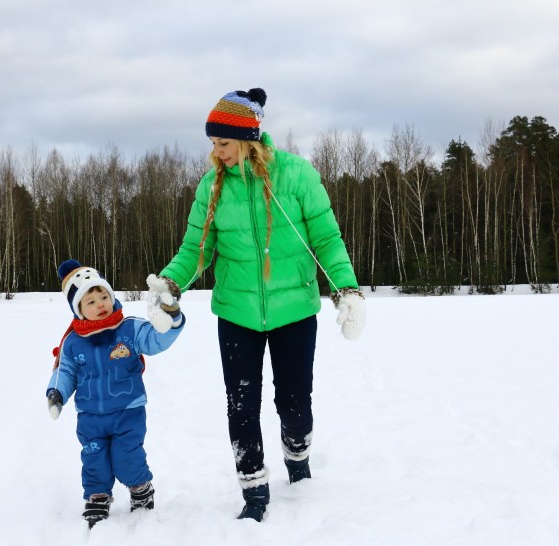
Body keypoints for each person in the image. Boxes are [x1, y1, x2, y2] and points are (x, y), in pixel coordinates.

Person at [146, 88, 365, 522]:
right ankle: (254, 491)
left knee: (295, 405)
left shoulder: (298, 175)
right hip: (237, 315)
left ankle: (297, 455)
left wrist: (348, 289)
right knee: (241, 405)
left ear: (248, 137)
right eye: (213, 144)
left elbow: (326, 239)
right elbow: (197, 248)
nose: (217, 152)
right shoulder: (212, 187)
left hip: (295, 313)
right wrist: (171, 282)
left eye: (223, 143)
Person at [46, 259, 184, 529]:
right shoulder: (73, 342)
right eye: (91, 301)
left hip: (127, 411)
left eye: (104, 295)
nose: (100, 303)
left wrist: (172, 320)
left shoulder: (129, 329)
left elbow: (157, 339)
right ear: (79, 309)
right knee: (93, 457)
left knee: (127, 455)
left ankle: (140, 487)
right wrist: (56, 393)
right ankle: (98, 495)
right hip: (90, 416)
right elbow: (66, 371)